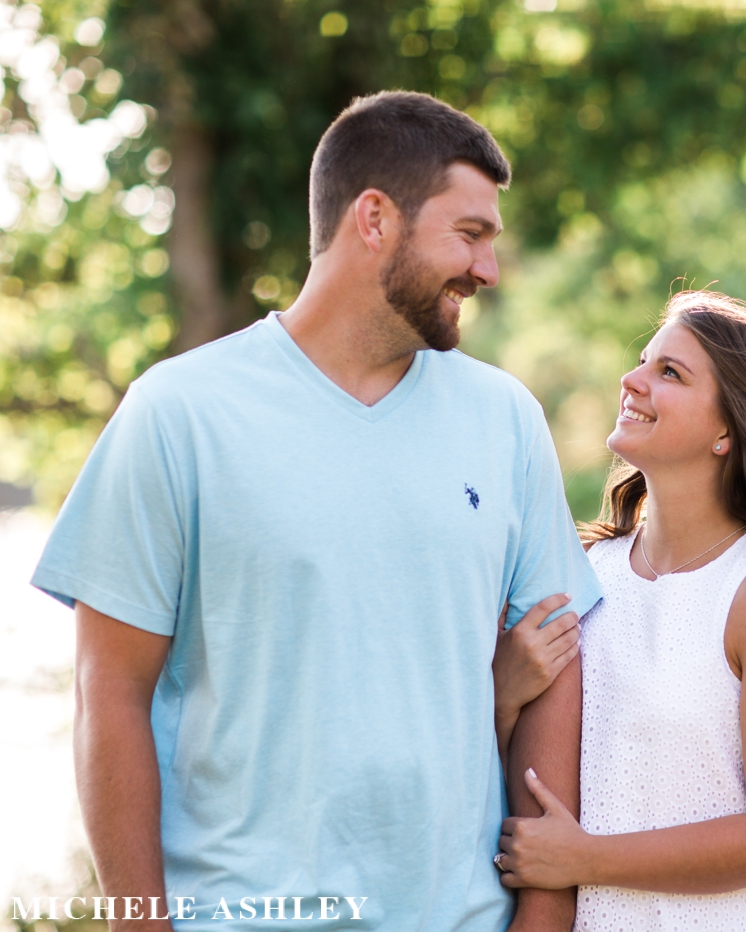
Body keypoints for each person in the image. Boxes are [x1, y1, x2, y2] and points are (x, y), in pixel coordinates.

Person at [31, 91, 598, 932]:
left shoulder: (504, 418)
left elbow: (557, 661)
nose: (488, 271)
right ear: (375, 219)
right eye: (470, 234)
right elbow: (109, 691)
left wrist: (543, 920)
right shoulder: (179, 412)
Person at [491, 291, 746, 930]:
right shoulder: (588, 574)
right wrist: (503, 698)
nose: (631, 380)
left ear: (729, 428)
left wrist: (589, 859)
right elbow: (530, 788)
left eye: (669, 372)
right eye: (644, 361)